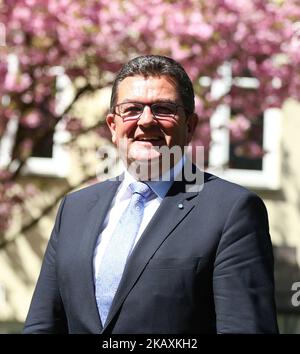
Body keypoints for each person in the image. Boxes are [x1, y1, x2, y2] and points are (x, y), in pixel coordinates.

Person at [23, 55, 279, 334]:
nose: (146, 121)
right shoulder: (74, 209)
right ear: (112, 126)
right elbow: (42, 325)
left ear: (190, 126)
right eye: (132, 109)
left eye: (163, 109)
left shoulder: (231, 211)